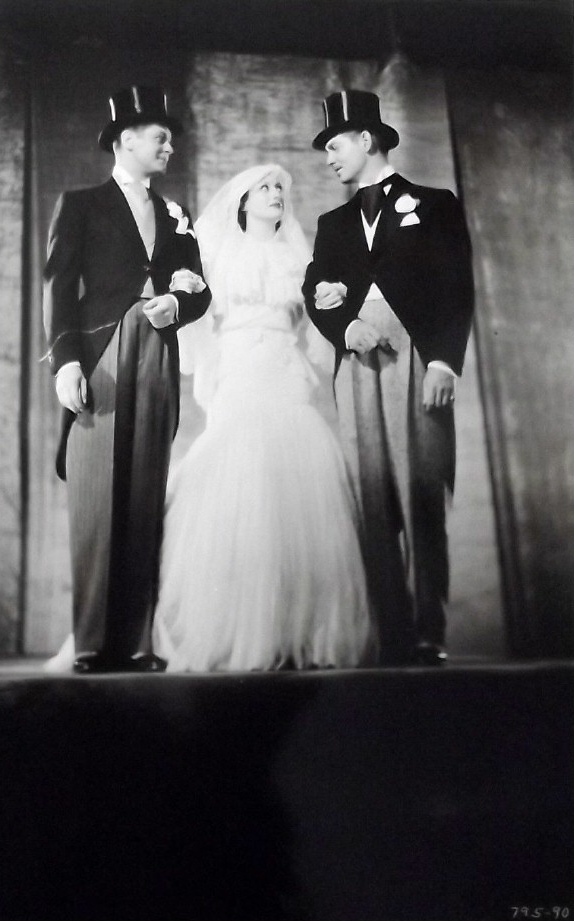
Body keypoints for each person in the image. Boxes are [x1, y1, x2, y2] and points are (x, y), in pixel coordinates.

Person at [152, 164, 371, 672]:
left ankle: (297, 632)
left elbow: (320, 320)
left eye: (279, 189)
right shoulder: (217, 252)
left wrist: (331, 302)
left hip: (284, 368)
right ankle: (232, 628)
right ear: (243, 203)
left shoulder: (300, 255)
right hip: (239, 368)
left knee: (299, 482)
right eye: (264, 189)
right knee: (241, 479)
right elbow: (198, 317)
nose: (275, 195)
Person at [42, 85, 211, 674]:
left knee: (145, 493)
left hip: (157, 353)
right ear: (126, 140)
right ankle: (91, 644)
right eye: (160, 137)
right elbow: (59, 289)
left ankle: (137, 642)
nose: (169, 146)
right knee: (96, 502)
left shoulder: (174, 212)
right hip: (101, 355)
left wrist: (178, 306)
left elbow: (199, 285)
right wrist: (66, 361)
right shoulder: (81, 203)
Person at [303, 90, 475, 666]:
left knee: (423, 488)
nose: (328, 158)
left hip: (419, 356)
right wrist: (341, 323)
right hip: (357, 363)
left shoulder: (435, 204)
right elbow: (316, 291)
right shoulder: (332, 222)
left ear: (366, 140)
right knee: (370, 495)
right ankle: (391, 633)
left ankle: (429, 630)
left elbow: (457, 288)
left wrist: (446, 361)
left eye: (334, 145)